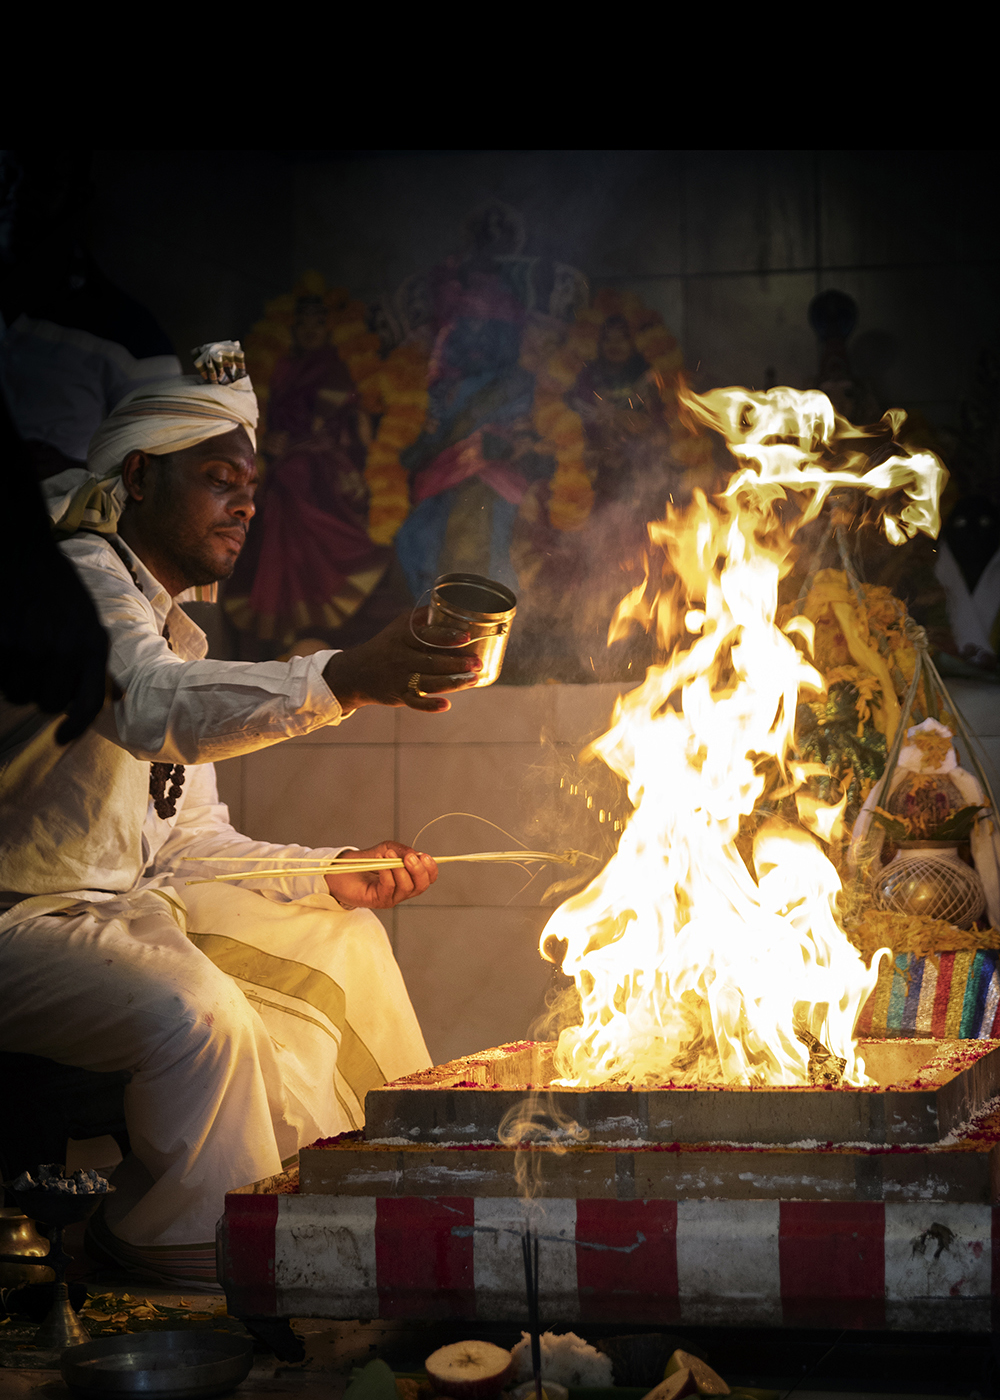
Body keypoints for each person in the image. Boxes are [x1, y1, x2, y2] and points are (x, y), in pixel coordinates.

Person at [0, 345, 480, 1289]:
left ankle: (361, 1198)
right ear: (140, 477)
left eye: (250, 490)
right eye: (220, 480)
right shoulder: (78, 574)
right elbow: (150, 705)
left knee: (345, 937)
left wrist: (325, 872)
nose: (246, 507)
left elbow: (188, 843)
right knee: (199, 1018)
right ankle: (182, 1244)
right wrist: (344, 677)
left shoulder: (172, 628)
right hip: (20, 918)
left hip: (122, 908)